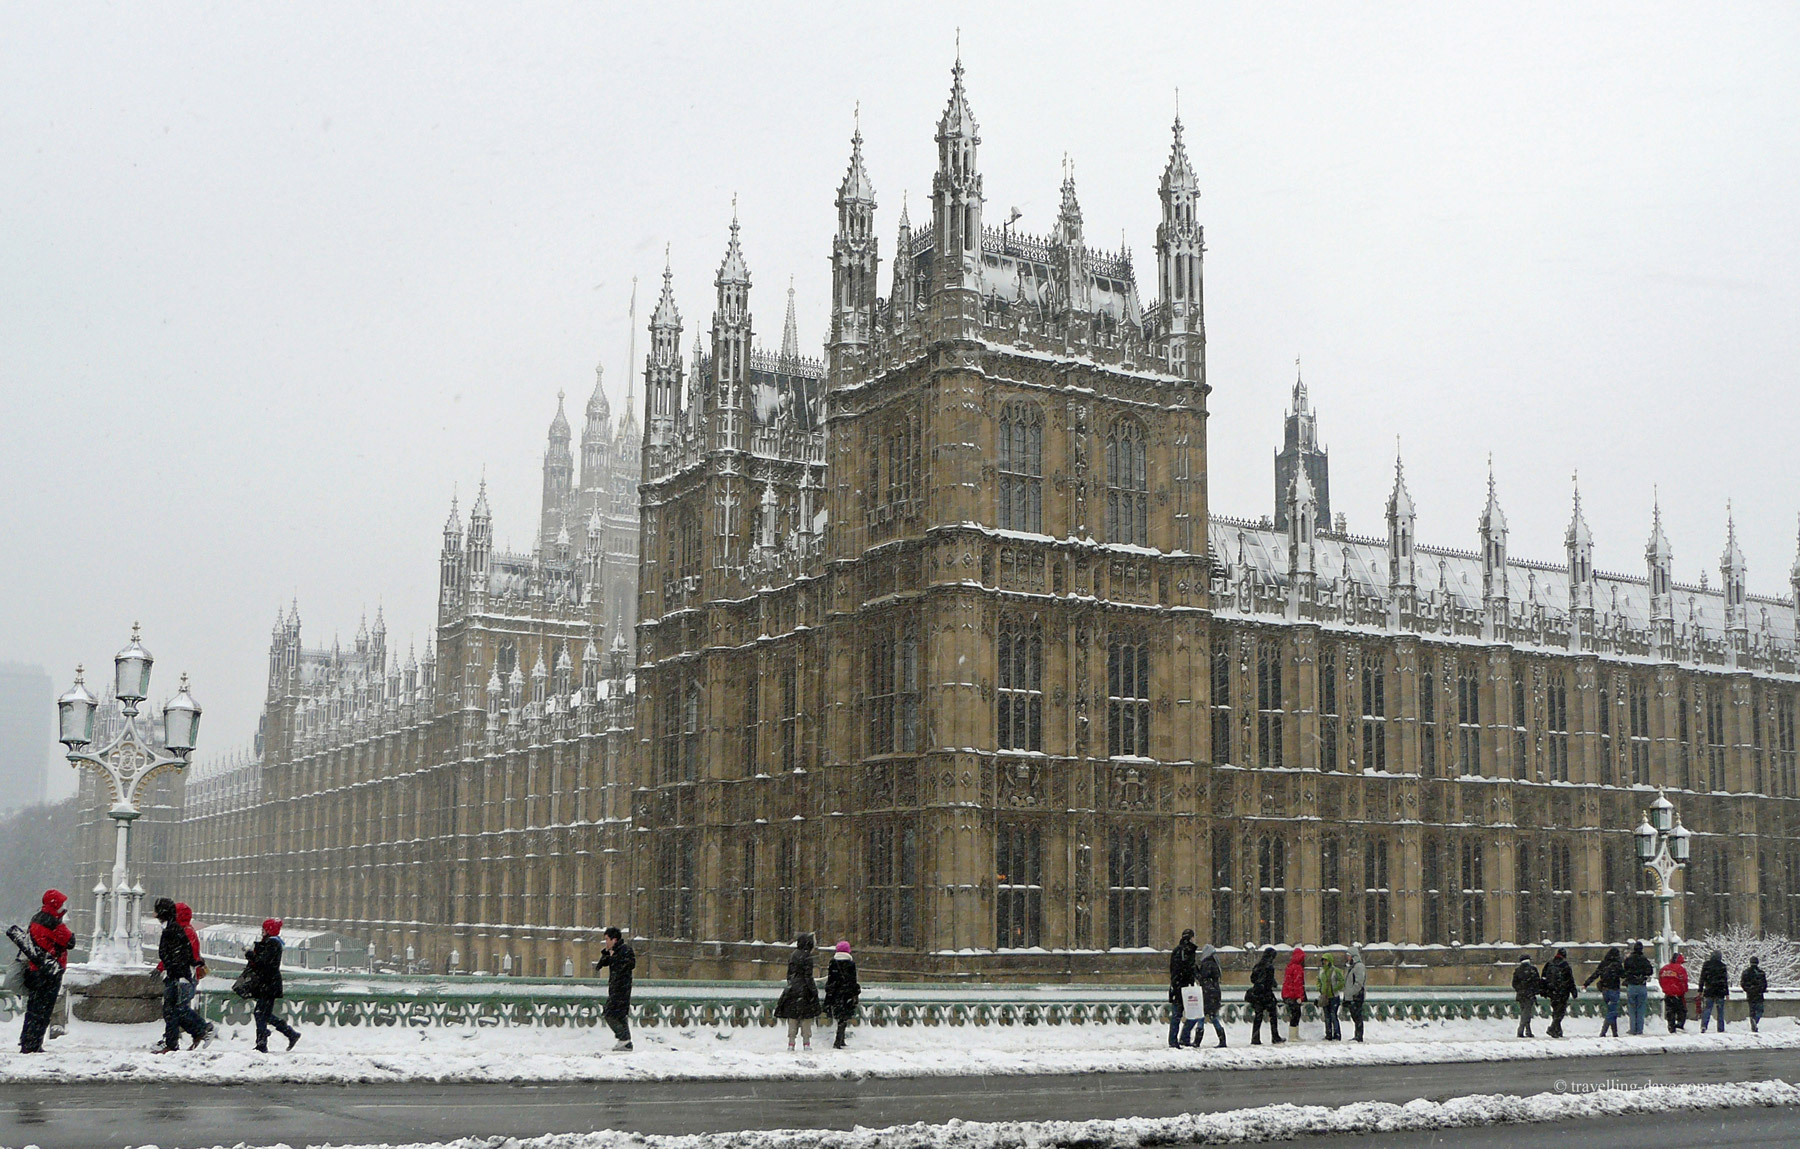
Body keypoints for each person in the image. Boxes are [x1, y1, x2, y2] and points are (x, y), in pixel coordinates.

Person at [19, 889, 73, 1053]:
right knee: (44, 1009)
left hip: (35, 969)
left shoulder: (36, 918)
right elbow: (70, 941)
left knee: (33, 1008)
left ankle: (27, 1040)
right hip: (49, 971)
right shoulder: (53, 922)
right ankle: (34, 1044)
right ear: (55, 904)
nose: (63, 906)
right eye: (61, 903)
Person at [154, 897, 211, 1052]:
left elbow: (180, 956)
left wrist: (165, 968)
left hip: (183, 976)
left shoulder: (182, 931)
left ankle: (202, 1029)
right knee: (174, 1010)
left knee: (176, 1010)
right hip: (182, 975)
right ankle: (180, 1038)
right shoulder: (183, 930)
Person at [242, 918, 300, 1052]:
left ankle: (262, 1043)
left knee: (260, 1013)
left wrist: (250, 955)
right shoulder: (271, 943)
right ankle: (289, 1034)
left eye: (264, 929)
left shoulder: (273, 944)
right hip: (268, 984)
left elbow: (263, 963)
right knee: (263, 1014)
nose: (262, 931)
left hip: (269, 985)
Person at [775, 933, 821, 1051]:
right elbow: (808, 976)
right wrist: (813, 991)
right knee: (806, 1018)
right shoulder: (807, 957)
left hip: (793, 990)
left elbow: (789, 975)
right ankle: (806, 1043)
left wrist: (793, 985)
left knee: (793, 1017)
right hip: (804, 991)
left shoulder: (793, 955)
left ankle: (791, 1043)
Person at [593, 926, 635, 1051]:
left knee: (609, 1013)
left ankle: (624, 1038)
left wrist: (613, 957)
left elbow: (630, 964)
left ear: (614, 939)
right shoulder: (614, 951)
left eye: (607, 939)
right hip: (616, 987)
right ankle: (626, 1042)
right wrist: (607, 954)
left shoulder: (625, 950)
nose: (606, 942)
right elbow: (602, 964)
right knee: (620, 1015)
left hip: (622, 988)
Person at [822, 941, 860, 1050]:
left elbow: (830, 979)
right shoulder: (851, 964)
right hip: (846, 993)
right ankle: (838, 1041)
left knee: (839, 1016)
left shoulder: (833, 963)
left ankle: (840, 1039)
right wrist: (855, 993)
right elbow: (853, 981)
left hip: (835, 993)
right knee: (843, 1017)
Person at [1168, 928, 1199, 1048]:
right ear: (1191, 938)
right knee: (1193, 1014)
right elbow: (1188, 968)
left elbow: (1173, 969)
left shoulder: (1177, 950)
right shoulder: (1188, 950)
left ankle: (1174, 1040)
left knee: (1176, 1016)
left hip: (1177, 987)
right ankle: (1183, 1038)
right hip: (1186, 988)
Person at [1583, 946, 1624, 1037]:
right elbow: (1623, 975)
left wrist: (1586, 983)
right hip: (1614, 989)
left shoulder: (1604, 963)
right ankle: (1603, 1031)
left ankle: (1615, 1033)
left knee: (1611, 1010)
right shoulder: (1617, 964)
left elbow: (1596, 974)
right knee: (1612, 1011)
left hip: (1605, 990)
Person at [1246, 946, 1283, 1045]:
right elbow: (1269, 980)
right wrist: (1273, 984)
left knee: (1258, 1016)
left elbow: (1253, 979)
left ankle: (1255, 1038)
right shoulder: (1269, 966)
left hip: (1257, 994)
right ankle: (1275, 1037)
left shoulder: (1258, 965)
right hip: (1266, 994)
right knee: (1273, 1015)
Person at [1541, 948, 1577, 1038]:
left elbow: (1543, 978)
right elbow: (1570, 980)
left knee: (1556, 1010)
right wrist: (1573, 991)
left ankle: (1558, 1031)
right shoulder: (1565, 965)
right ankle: (1552, 1028)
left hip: (1552, 991)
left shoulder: (1549, 964)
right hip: (1562, 992)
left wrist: (1543, 990)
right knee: (1560, 1012)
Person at [1196, 943, 1226, 1047]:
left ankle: (1197, 1041)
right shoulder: (1214, 963)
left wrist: (1196, 972)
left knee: (1202, 1016)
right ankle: (1222, 1039)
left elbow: (1203, 978)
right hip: (1214, 994)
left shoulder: (1207, 964)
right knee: (1213, 1017)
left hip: (1207, 994)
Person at [1622, 940, 1655, 1035]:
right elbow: (1650, 971)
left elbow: (1625, 971)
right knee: (1641, 1009)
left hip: (1631, 986)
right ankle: (1639, 1029)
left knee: (1632, 1009)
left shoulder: (1629, 959)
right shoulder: (1644, 960)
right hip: (1641, 985)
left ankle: (1633, 1029)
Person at [1281, 946, 1308, 1040]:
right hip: (1293, 995)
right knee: (1296, 1014)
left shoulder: (1290, 966)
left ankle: (1294, 1035)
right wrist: (1299, 996)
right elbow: (1298, 984)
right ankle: (1293, 1036)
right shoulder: (1298, 968)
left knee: (1295, 1013)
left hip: (1287, 994)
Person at [1698, 949, 1729, 1033]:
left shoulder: (1706, 965)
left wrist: (1700, 990)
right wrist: (1727, 993)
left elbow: (1702, 978)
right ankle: (1720, 1028)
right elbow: (1725, 980)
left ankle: (1704, 1026)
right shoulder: (1722, 966)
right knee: (1720, 1011)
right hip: (1720, 991)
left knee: (1707, 1009)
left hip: (1709, 990)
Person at [1658, 951, 1689, 1033]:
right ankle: (1679, 1025)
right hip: (1678, 995)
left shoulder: (1664, 969)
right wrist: (1684, 990)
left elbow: (1660, 980)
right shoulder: (1680, 969)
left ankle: (1671, 1027)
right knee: (1681, 1011)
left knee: (1670, 1012)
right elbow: (1684, 981)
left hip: (1668, 994)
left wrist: (1666, 989)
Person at [1512, 954, 1542, 1038]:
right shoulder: (1533, 970)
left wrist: (1520, 989)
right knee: (1526, 1013)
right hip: (1529, 995)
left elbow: (1514, 984)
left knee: (1525, 1012)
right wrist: (1535, 991)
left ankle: (1528, 1031)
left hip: (1521, 995)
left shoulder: (1517, 970)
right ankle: (1520, 1030)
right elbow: (1537, 982)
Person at [1317, 953, 1344, 1041]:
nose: (1324, 962)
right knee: (1327, 1016)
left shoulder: (1336, 971)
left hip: (1334, 996)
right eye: (1323, 960)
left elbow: (1341, 982)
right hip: (1325, 996)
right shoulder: (1321, 971)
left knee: (1333, 1015)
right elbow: (1318, 981)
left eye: (1326, 960)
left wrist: (1334, 989)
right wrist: (1320, 989)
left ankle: (1337, 1034)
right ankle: (1328, 1034)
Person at [1344, 944, 1368, 1042]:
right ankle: (1357, 1035)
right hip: (1353, 996)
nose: (1347, 957)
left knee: (1357, 1016)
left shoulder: (1359, 967)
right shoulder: (1352, 967)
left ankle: (1359, 1036)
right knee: (1355, 1016)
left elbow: (1359, 983)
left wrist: (1352, 992)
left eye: (1348, 955)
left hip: (1357, 996)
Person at [1741, 956, 1768, 1033]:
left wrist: (1748, 990)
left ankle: (1753, 1021)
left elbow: (1743, 983)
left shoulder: (1746, 972)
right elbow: (1764, 984)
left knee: (1752, 1010)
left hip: (1750, 994)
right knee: (1760, 1010)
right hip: (1759, 994)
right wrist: (1761, 990)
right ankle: (1755, 1021)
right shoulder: (1761, 973)